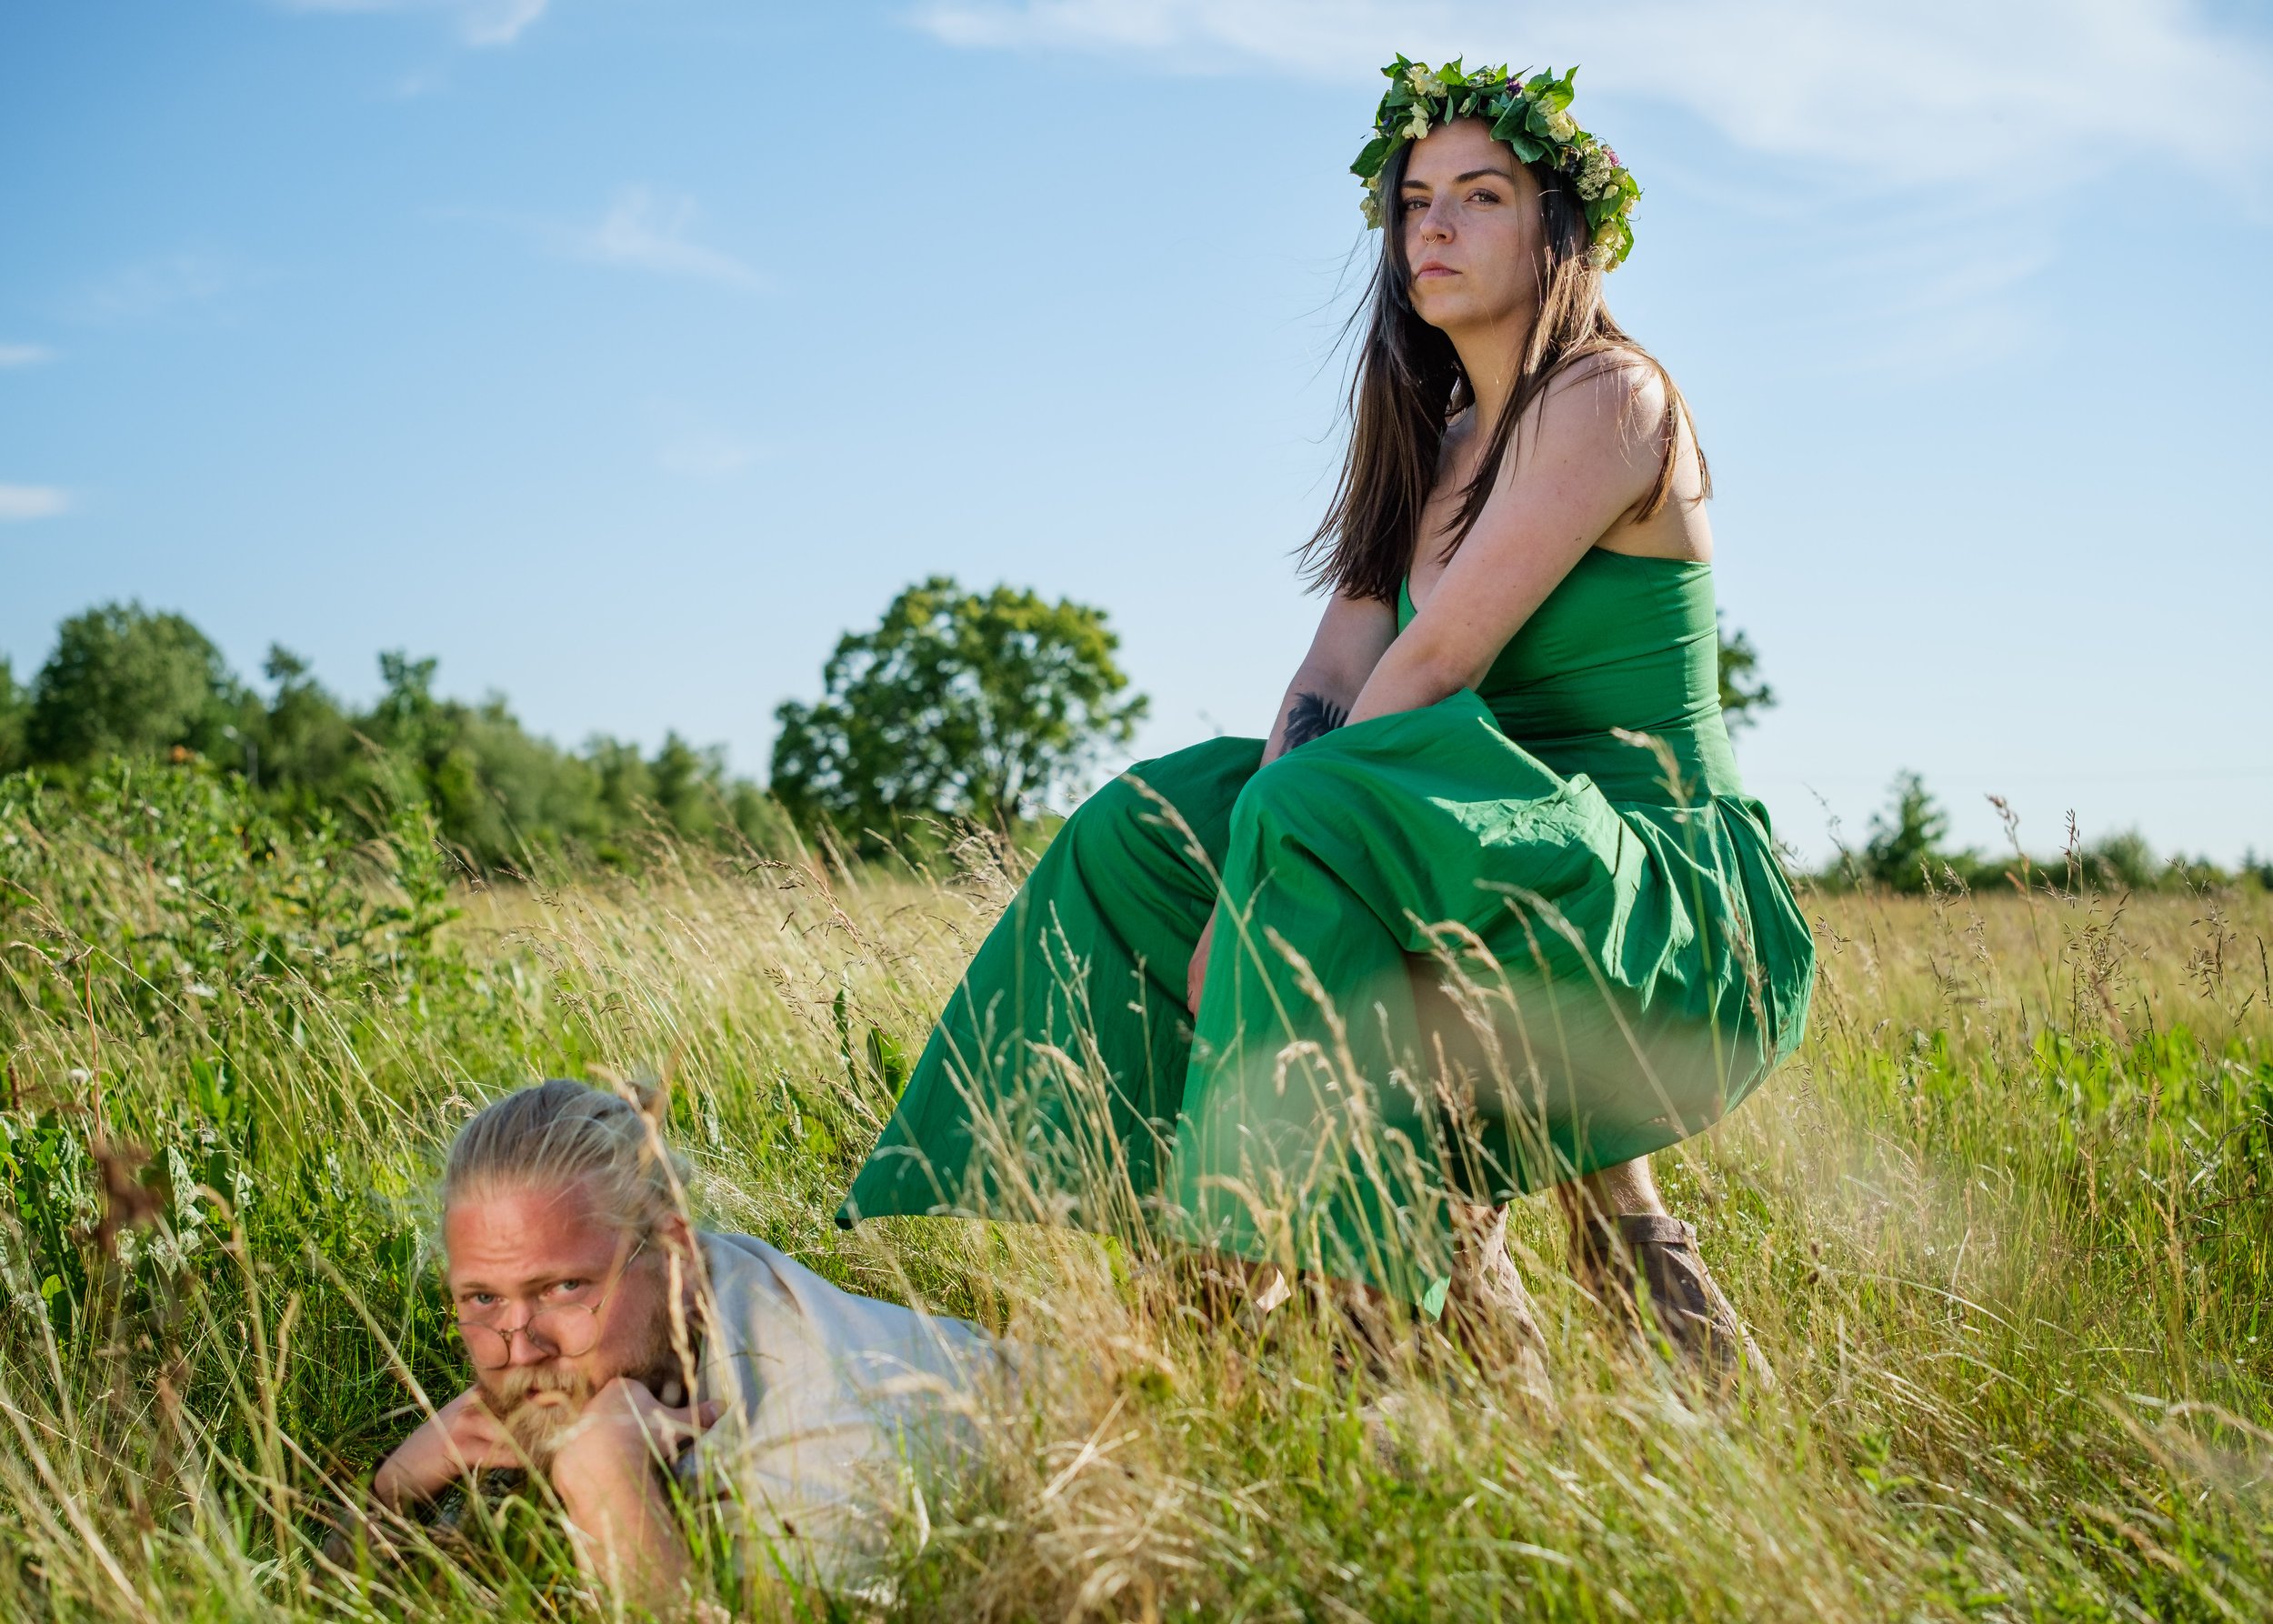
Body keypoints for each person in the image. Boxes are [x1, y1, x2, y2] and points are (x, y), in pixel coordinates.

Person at [837, 59, 1814, 1381]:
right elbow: (1334, 672)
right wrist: (1236, 853)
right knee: (1152, 823)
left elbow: (1434, 661)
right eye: (1415, 201)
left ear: (1560, 227)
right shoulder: (1427, 438)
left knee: (1309, 808)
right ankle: (1342, 1261)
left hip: (1657, 890)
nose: (1434, 227)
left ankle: (1273, 1283)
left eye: (1481, 195)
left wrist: (1257, 889)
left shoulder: (1609, 396)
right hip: (1471, 834)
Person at [365, 1080, 1006, 1607]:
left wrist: (605, 1483)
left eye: (563, 1288)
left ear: (675, 1253)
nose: (521, 1350)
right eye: (483, 1298)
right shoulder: (614, 1339)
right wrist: (393, 1490)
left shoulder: (832, 1433)